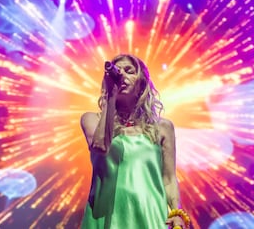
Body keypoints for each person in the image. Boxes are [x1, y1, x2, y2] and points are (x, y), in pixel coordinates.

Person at [80, 54, 190, 229]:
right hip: (106, 216)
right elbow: (101, 146)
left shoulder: (162, 127)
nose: (121, 74)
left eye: (129, 71)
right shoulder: (92, 119)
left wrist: (176, 212)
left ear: (142, 83)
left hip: (151, 215)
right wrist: (111, 96)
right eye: (118, 71)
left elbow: (169, 179)